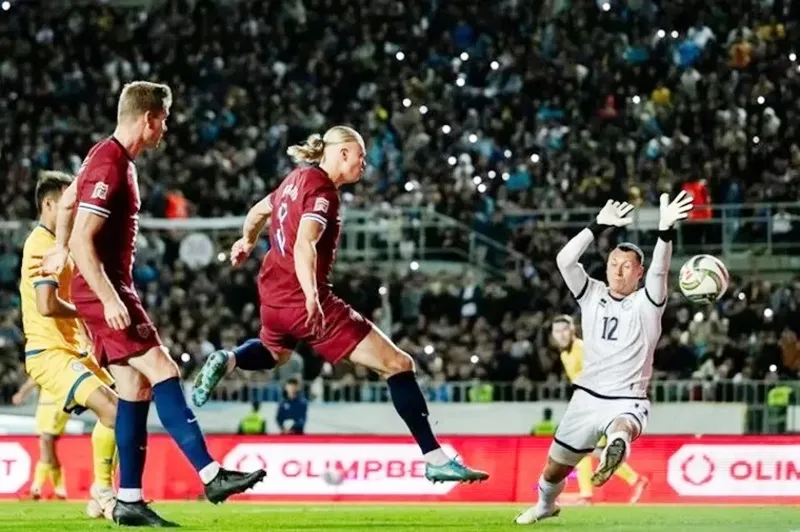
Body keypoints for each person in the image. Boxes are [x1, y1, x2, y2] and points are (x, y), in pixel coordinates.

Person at [192, 125, 488, 483]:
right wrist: (312, 296)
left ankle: (231, 358)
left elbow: (258, 211)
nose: (365, 164)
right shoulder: (323, 192)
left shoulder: (294, 180)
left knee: (276, 354)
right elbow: (305, 244)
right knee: (398, 364)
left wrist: (246, 240)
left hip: (272, 296)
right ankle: (436, 458)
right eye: (361, 156)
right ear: (344, 153)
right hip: (303, 298)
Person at [34, 82, 265, 527]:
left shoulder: (102, 157)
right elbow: (84, 237)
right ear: (149, 119)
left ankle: (129, 500)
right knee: (164, 370)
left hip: (105, 286)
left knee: (135, 391)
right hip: (107, 288)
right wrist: (104, 294)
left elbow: (66, 206)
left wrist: (61, 248)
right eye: (165, 120)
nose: (166, 130)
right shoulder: (110, 164)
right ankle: (211, 473)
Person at [515, 193, 693, 524]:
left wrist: (665, 231)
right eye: (613, 263)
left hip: (627, 397)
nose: (618, 271)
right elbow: (564, 261)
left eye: (627, 267)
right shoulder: (592, 293)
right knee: (556, 467)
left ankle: (617, 443)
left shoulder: (648, 302)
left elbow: (660, 271)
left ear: (639, 273)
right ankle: (545, 505)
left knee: (621, 427)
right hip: (586, 397)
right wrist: (596, 226)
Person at [19, 171, 119, 516]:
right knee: (113, 410)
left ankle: (100, 492)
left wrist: (88, 332)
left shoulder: (60, 245)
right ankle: (103, 492)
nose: (74, 208)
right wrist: (90, 312)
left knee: (124, 410)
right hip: (48, 353)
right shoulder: (40, 245)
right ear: (49, 204)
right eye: (68, 201)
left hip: (72, 349)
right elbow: (47, 305)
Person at [551, 314, 649, 505]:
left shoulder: (581, 348)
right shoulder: (565, 354)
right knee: (586, 451)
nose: (561, 335)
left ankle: (631, 481)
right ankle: (588, 494)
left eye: (564, 330)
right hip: (589, 406)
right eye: (557, 331)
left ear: (573, 330)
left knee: (588, 450)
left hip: (601, 404)